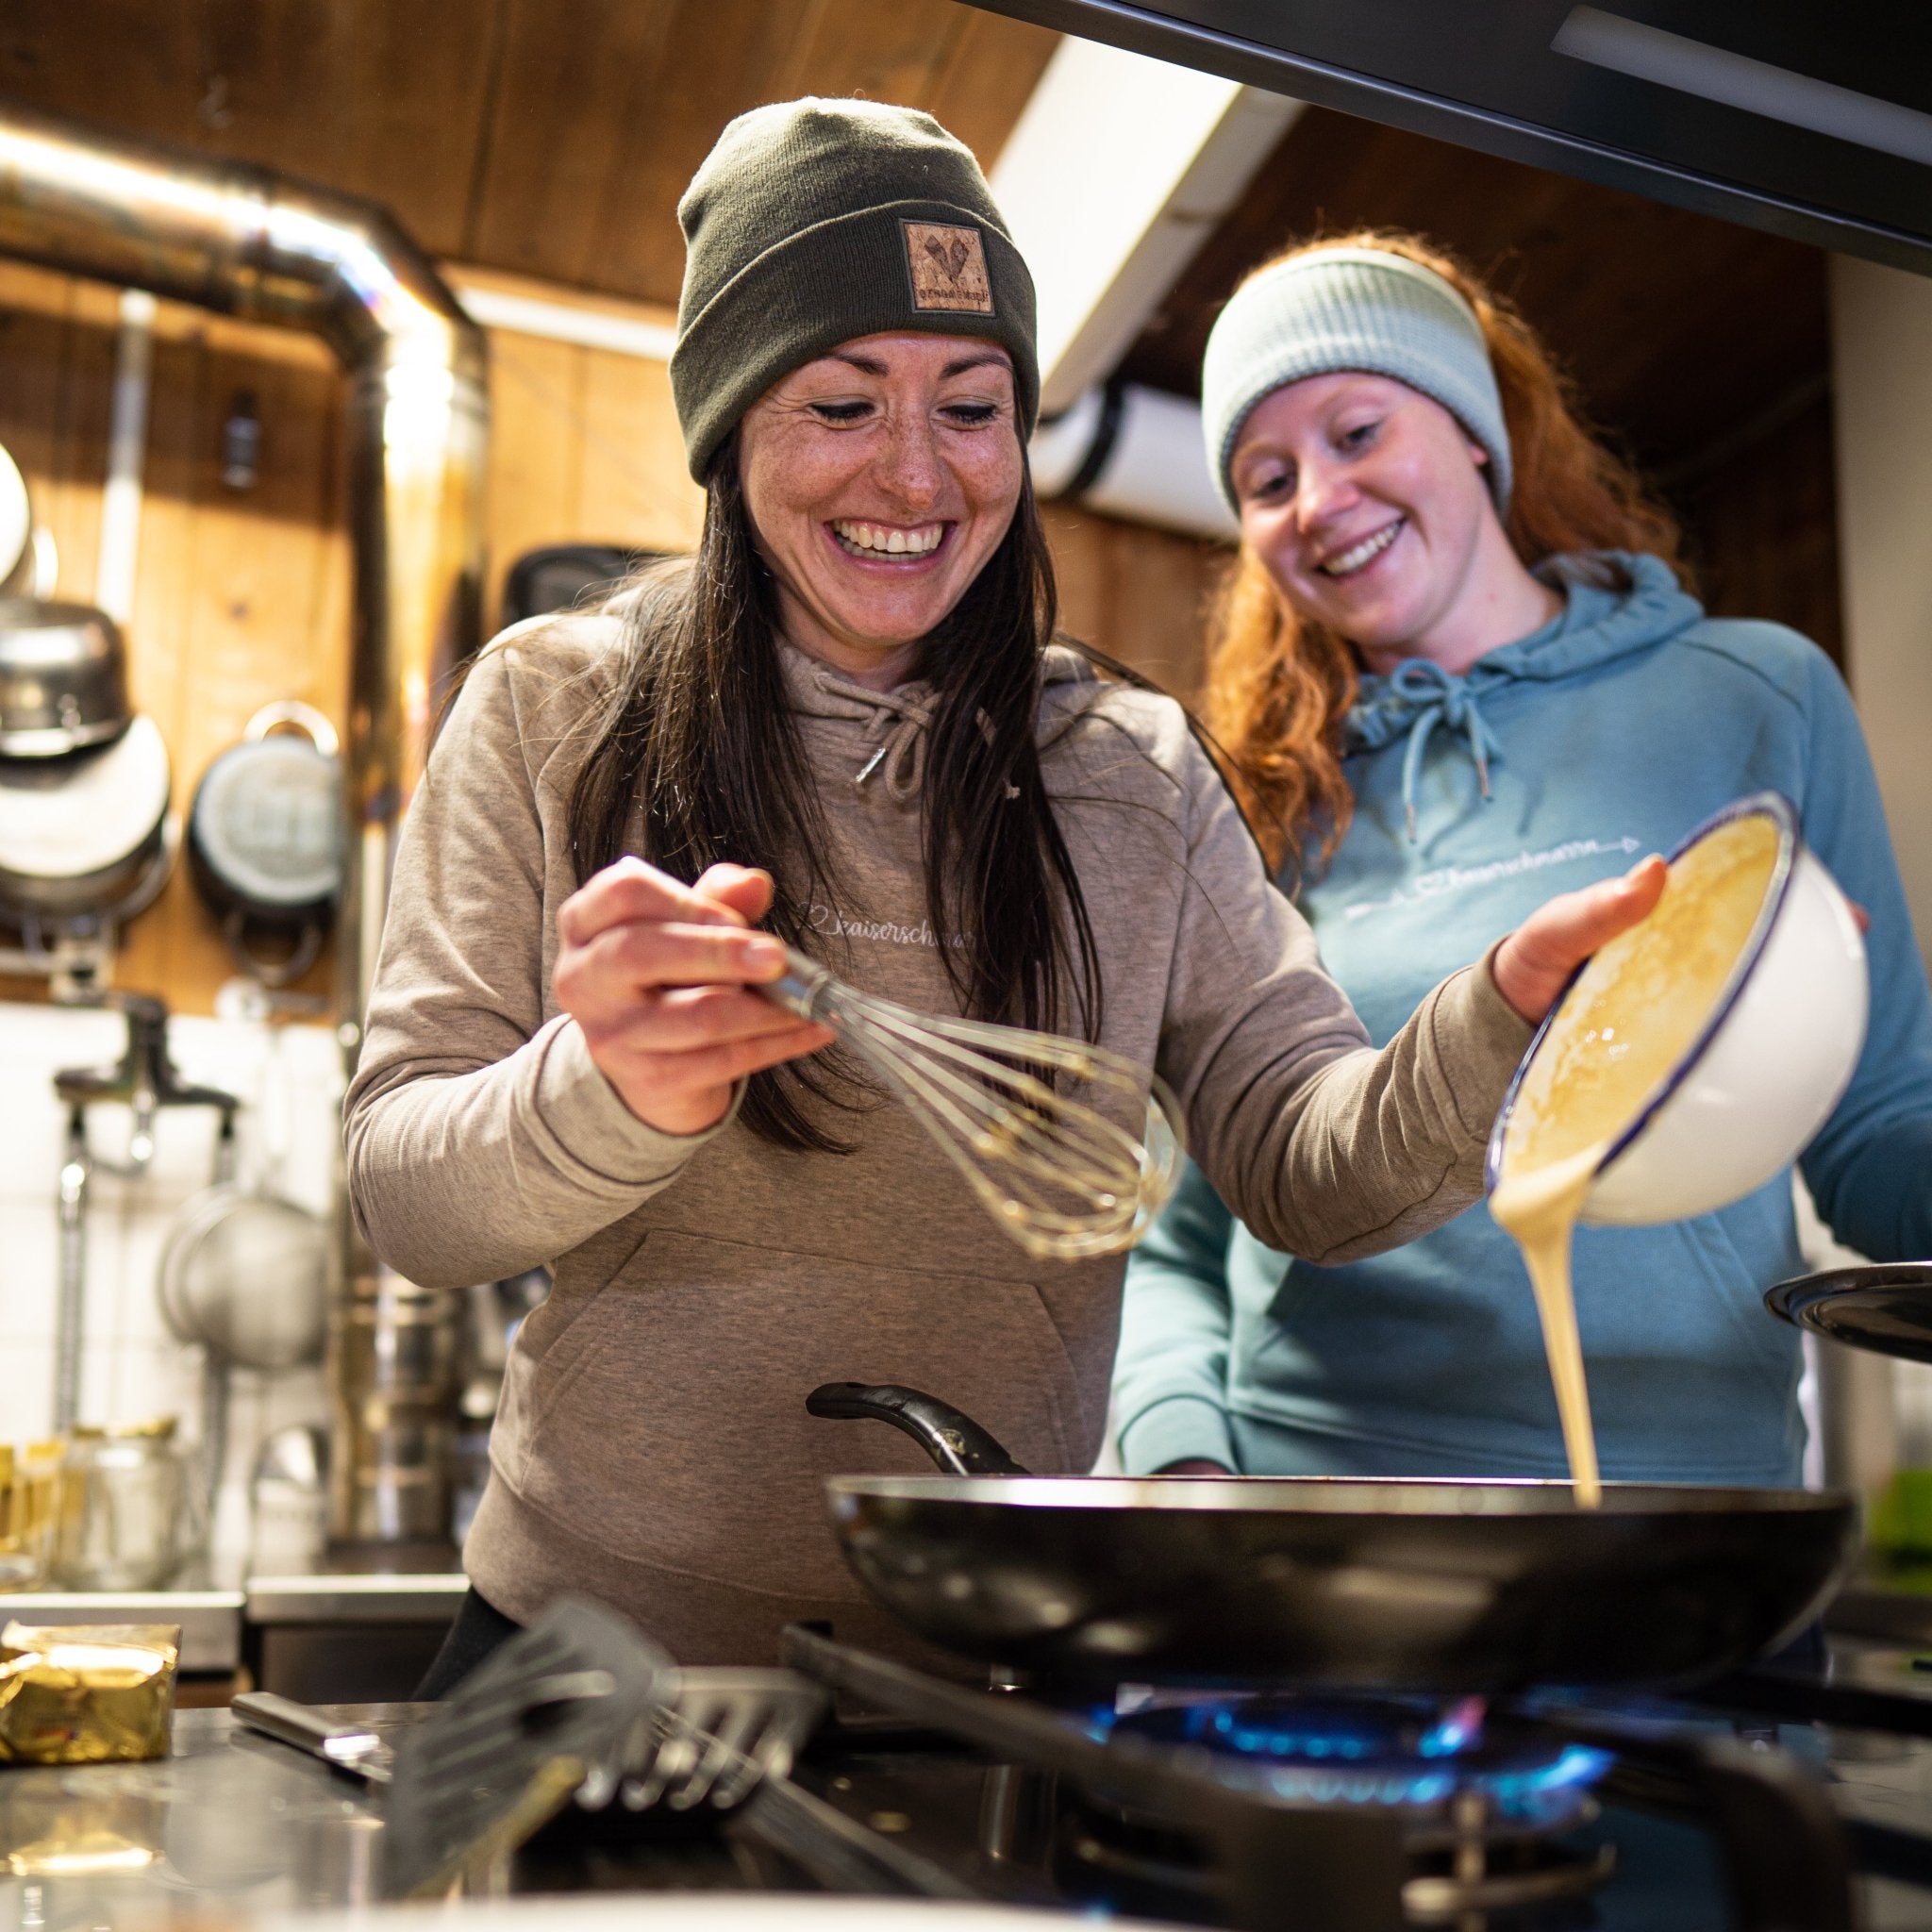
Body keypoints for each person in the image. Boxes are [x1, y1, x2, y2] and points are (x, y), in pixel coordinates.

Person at [345, 121, 1657, 1689]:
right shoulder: (556, 708)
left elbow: (1313, 1167)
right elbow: (405, 1200)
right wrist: (604, 1089)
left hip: (990, 1668)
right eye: (841, 404)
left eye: (972, 410)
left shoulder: (1129, 771)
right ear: (728, 427)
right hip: (590, 1651)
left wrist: (1498, 1015)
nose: (916, 473)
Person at [1113, 232, 1932, 1489]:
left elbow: (1877, 1124)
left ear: (1477, 428)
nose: (1318, 503)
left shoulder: (1754, 697)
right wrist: (1183, 1467)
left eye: (1356, 431)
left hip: (1689, 1499)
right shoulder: (1261, 801)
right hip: (1325, 1501)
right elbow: (1184, 1233)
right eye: (1264, 479)